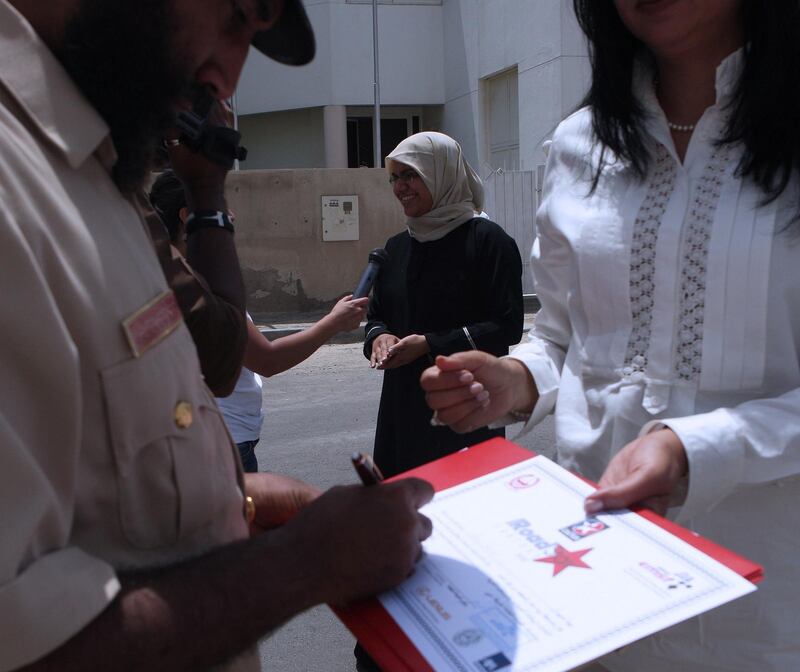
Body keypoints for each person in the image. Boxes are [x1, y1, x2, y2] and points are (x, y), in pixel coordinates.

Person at [0, 2, 433, 671]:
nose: (226, 82)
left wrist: (237, 503)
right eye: (234, 18)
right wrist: (309, 562)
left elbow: (205, 365)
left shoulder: (93, 177)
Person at [421, 1, 800, 670]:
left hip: (766, 608)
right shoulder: (578, 145)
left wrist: (698, 447)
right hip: (596, 592)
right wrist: (517, 381)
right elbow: (566, 340)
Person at [149, 170, 368, 472]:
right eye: (221, 208)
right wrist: (331, 323)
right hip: (225, 441)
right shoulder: (198, 284)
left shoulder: (164, 272)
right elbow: (266, 359)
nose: (232, 216)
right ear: (187, 216)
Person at [364, 131, 524, 478]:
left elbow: (507, 325)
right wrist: (379, 338)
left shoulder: (489, 242)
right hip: (401, 405)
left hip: (467, 404)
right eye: (395, 177)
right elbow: (378, 316)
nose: (400, 187)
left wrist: (430, 344)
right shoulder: (396, 248)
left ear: (442, 173)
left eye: (411, 175)